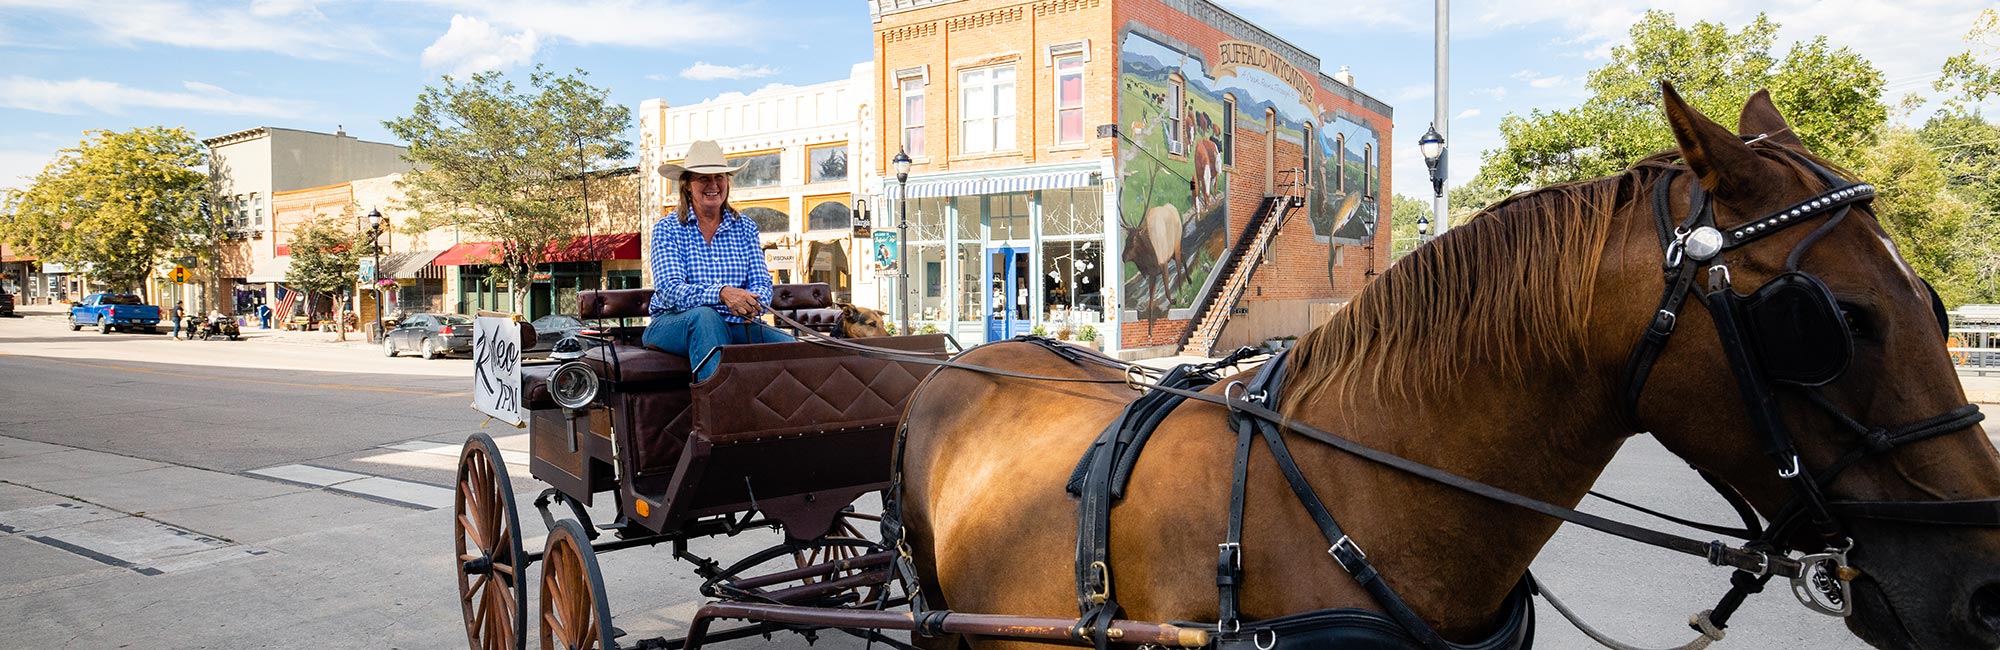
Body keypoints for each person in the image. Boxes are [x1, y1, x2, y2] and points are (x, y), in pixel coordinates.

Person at [643, 140, 792, 381]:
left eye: (719, 177)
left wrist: (751, 303)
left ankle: (785, 417)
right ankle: (714, 415)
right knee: (705, 318)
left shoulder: (745, 227)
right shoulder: (667, 228)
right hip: (672, 324)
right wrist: (721, 293)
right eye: (703, 178)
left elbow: (762, 283)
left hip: (736, 323)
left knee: (792, 346)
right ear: (688, 185)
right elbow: (670, 290)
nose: (713, 185)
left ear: (727, 182)